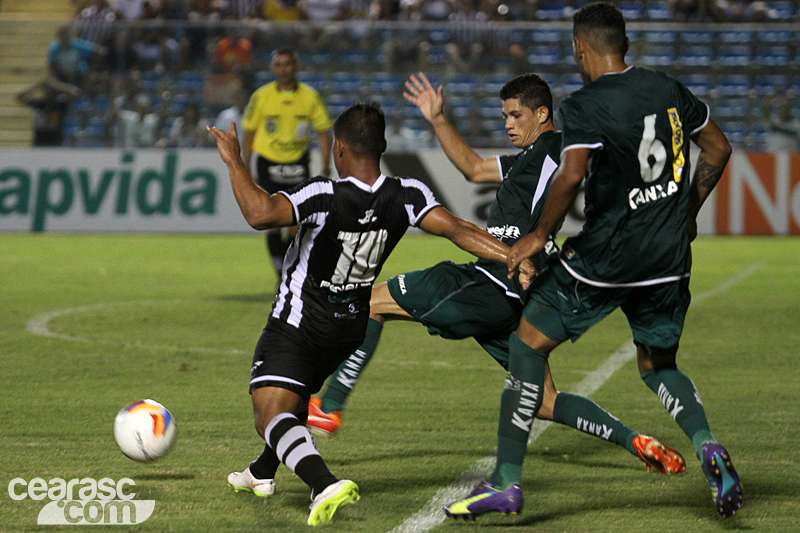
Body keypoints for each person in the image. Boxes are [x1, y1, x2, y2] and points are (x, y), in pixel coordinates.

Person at [308, 72, 687, 481]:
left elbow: (591, 161)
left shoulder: (558, 147)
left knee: (372, 302)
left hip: (493, 278)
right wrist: (437, 119)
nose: (508, 123)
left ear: (543, 114)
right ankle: (634, 441)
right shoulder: (526, 160)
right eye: (504, 115)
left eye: (516, 115)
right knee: (543, 400)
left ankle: (329, 406)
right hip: (522, 296)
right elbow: (472, 169)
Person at [444, 2, 741, 520]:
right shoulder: (668, 88)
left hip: (608, 255)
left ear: (580, 47)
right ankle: (707, 444)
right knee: (658, 365)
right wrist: (687, 212)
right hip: (669, 256)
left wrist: (539, 235)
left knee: (526, 343)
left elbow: (571, 175)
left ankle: (507, 483)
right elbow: (717, 148)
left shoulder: (584, 105)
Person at [207, 102, 517, 526]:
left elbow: (260, 213)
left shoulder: (323, 194)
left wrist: (235, 161)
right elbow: (460, 230)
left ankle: (322, 482)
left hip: (300, 322)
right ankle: (261, 473)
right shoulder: (409, 194)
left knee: (270, 414)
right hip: (349, 328)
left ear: (338, 150)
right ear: (383, 146)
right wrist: (513, 257)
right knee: (292, 396)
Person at [242, 47, 332, 283]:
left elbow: (323, 132)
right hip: (268, 163)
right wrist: (245, 167)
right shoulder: (261, 97)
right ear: (272, 68)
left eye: (287, 64)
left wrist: (326, 165)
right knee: (271, 222)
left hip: (297, 164)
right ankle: (280, 273)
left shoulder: (309, 97)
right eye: (278, 64)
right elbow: (249, 132)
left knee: (294, 224)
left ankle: (289, 273)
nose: (282, 69)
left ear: (296, 66)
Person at [17, 76, 81, 147]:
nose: (49, 92)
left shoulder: (60, 104)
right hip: (39, 142)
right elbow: (20, 97)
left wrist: (57, 85)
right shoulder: (38, 103)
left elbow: (76, 93)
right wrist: (39, 86)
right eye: (47, 90)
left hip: (56, 142)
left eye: (51, 90)